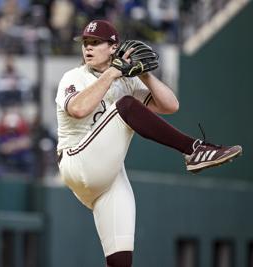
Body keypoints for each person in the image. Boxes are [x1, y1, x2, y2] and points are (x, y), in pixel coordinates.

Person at [55, 19, 242, 267]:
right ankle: (194, 150)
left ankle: (194, 151)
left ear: (114, 47)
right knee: (127, 106)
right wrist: (113, 72)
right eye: (85, 43)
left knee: (121, 259)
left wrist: (144, 74)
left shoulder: (127, 82)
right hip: (77, 162)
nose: (87, 47)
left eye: (95, 43)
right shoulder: (74, 76)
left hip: (109, 177)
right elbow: (78, 109)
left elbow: (170, 105)